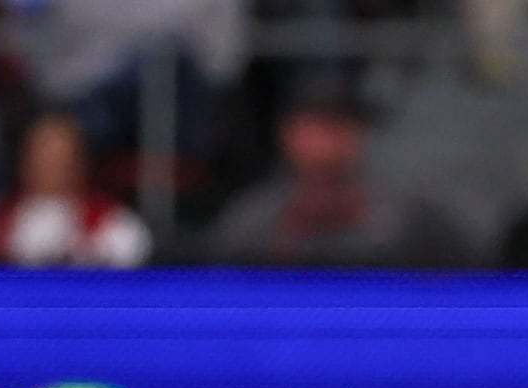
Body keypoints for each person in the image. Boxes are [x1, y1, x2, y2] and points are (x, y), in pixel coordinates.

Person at [201, 85, 473, 267]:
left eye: (344, 124)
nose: (332, 139)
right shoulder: (252, 220)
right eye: (323, 123)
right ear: (288, 131)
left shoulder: (412, 217)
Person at [0, 111, 149, 267]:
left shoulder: (118, 229)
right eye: (43, 158)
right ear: (23, 162)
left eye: (60, 160)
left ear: (80, 163)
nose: (51, 168)